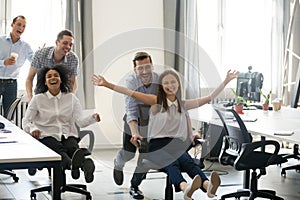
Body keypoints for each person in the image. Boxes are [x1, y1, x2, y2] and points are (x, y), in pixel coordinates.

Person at [92, 68, 239, 199]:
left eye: (173, 82)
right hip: (155, 146)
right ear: (162, 86)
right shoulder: (156, 101)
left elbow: (209, 98)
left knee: (188, 162)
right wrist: (106, 84)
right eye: (166, 83)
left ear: (178, 84)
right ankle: (185, 188)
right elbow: (130, 92)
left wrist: (226, 81)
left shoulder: (183, 104)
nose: (170, 85)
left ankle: (208, 186)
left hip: (175, 144)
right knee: (172, 162)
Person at [23, 65, 100, 183]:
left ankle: (84, 165)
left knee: (72, 147)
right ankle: (75, 165)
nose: (53, 78)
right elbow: (26, 121)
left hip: (67, 134)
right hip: (46, 135)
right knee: (58, 150)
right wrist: (33, 128)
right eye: (49, 76)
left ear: (61, 79)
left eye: (56, 76)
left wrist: (92, 118)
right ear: (45, 81)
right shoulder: (38, 99)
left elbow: (80, 121)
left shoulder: (71, 98)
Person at [113, 52, 159, 199]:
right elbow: (131, 110)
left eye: (147, 67)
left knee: (146, 154)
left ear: (152, 66)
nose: (144, 71)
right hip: (134, 119)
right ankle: (118, 163)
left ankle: (135, 185)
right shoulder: (130, 82)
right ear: (135, 70)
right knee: (129, 152)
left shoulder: (160, 80)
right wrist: (135, 132)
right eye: (140, 68)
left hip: (152, 122)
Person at [26, 29, 79, 101]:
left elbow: (72, 82)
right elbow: (29, 78)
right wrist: (30, 98)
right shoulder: (40, 54)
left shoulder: (73, 58)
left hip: (62, 96)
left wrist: (70, 99)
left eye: (70, 44)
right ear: (57, 42)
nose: (68, 47)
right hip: (41, 95)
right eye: (65, 43)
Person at [0, 15, 34, 117]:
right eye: (19, 24)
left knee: (9, 116)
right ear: (12, 25)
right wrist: (3, 63)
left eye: (24, 26)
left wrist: (40, 53)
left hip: (11, 84)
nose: (21, 28)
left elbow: (34, 61)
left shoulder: (25, 47)